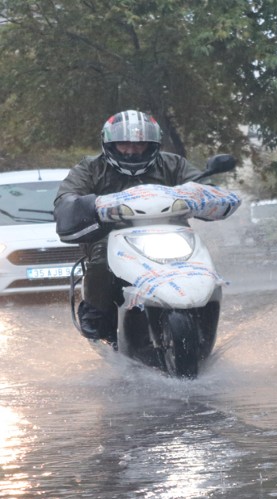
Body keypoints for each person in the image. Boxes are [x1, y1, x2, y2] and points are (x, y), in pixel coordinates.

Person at [54, 110, 204, 344]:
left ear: (153, 144)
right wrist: (78, 205)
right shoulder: (90, 168)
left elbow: (202, 185)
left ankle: (203, 303)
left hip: (171, 232)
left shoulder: (173, 164)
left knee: (199, 254)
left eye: (140, 144)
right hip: (110, 235)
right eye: (124, 144)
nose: (132, 150)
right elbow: (67, 197)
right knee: (101, 255)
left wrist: (210, 193)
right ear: (110, 144)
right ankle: (96, 311)